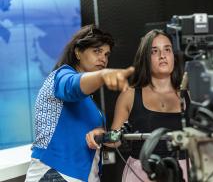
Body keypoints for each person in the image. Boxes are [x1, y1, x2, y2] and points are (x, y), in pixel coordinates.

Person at [25, 24, 134, 182]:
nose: (103, 58)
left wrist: (104, 135)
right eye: (97, 51)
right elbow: (72, 85)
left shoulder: (87, 100)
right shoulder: (61, 76)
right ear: (77, 52)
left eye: (106, 54)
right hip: (55, 173)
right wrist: (103, 75)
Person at [87, 29, 189, 182]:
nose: (163, 56)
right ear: (145, 58)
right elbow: (117, 138)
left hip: (182, 172)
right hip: (141, 174)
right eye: (155, 51)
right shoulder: (129, 96)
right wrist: (101, 135)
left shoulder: (189, 95)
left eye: (167, 49)